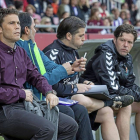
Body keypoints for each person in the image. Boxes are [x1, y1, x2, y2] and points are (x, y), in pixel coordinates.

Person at [43, 16, 134, 140]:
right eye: (81, 36)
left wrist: (83, 82)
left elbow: (71, 78)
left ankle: (110, 102)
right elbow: (49, 85)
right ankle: (111, 101)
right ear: (69, 36)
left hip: (74, 96)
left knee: (107, 112)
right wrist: (75, 88)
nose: (84, 39)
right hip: (61, 101)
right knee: (81, 99)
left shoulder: (73, 51)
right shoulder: (52, 52)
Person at [0, 8, 78, 140]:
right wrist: (21, 94)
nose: (17, 27)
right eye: (11, 23)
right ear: (0, 29)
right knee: (46, 129)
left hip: (23, 105)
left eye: (18, 23)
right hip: (4, 110)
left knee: (70, 125)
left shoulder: (20, 52)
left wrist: (48, 92)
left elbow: (35, 76)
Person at [16, 12, 94, 140]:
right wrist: (64, 70)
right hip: (35, 101)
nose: (36, 30)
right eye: (34, 27)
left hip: (44, 99)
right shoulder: (21, 49)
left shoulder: (32, 46)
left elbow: (51, 66)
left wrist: (71, 67)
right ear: (26, 29)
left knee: (80, 110)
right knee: (70, 114)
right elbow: (38, 81)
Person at [81, 23, 140, 140]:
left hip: (110, 99)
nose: (125, 45)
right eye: (122, 40)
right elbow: (113, 88)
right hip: (94, 100)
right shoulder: (105, 54)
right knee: (126, 105)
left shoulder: (126, 57)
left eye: (130, 42)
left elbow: (129, 84)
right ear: (114, 39)